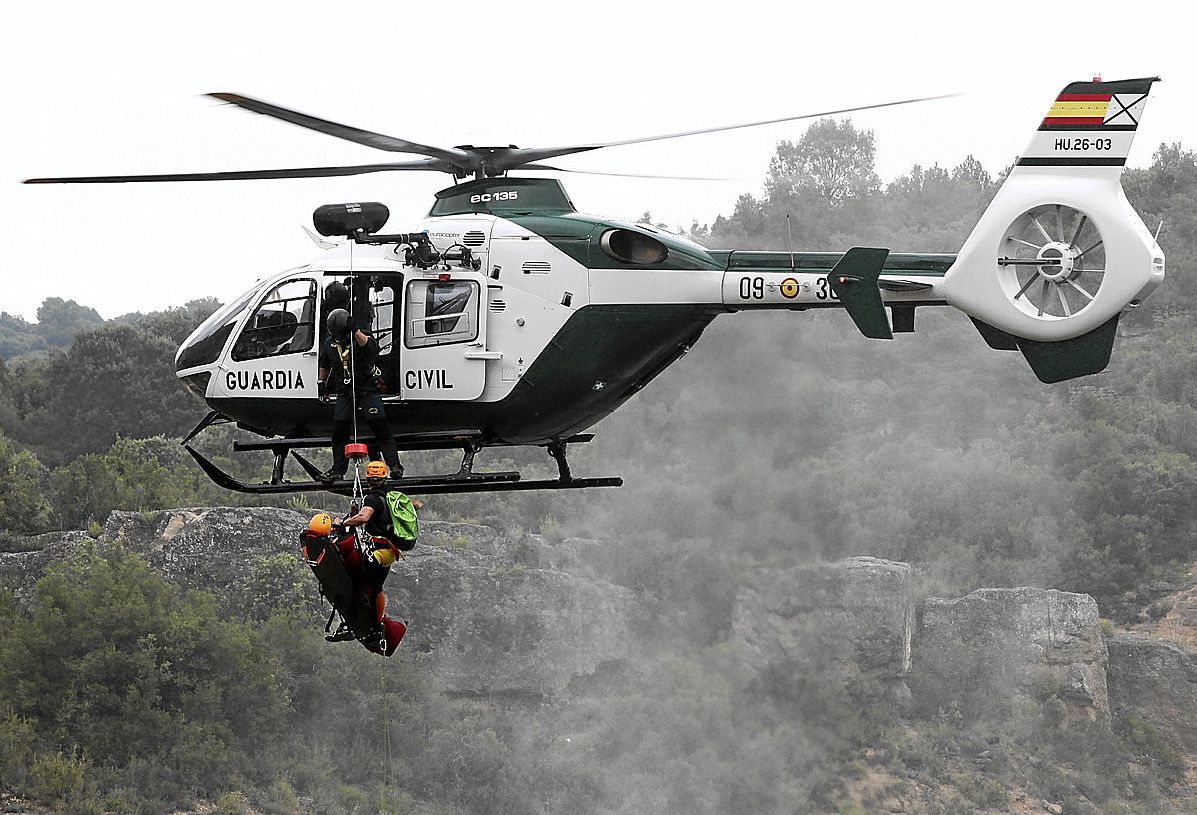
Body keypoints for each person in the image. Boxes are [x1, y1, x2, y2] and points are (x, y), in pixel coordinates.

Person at [317, 308, 402, 481]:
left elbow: (371, 348)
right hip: (345, 393)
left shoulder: (361, 337)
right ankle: (338, 470)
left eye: (342, 335)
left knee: (381, 429)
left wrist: (355, 330)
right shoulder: (330, 343)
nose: (339, 338)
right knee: (339, 433)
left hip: (368, 391)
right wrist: (321, 383)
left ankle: (395, 466)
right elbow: (324, 363)